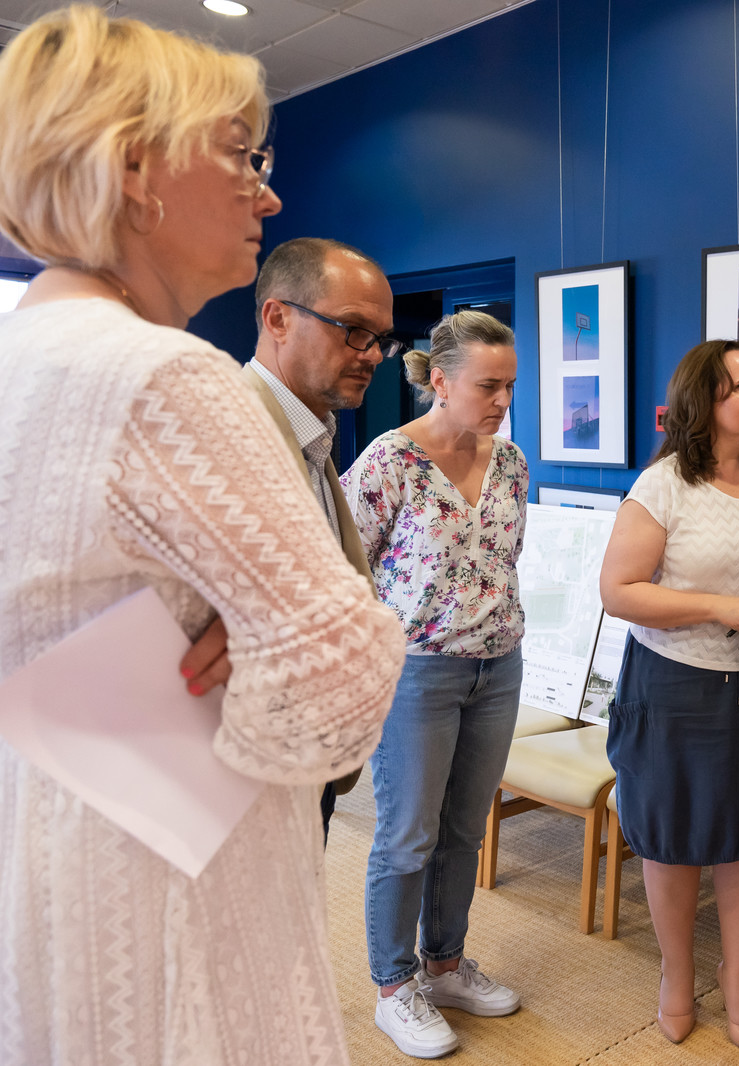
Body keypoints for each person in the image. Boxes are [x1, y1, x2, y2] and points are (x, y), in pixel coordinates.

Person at [0, 7, 406, 1065]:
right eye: (240, 155)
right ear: (134, 166)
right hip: (174, 863)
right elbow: (343, 678)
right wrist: (259, 660)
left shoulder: (19, 357)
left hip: (46, 842)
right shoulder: (161, 374)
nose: (267, 194)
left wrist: (254, 633)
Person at [598, 339, 739, 1056]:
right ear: (702, 399)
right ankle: (677, 974)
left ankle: (738, 976)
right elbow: (619, 591)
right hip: (676, 682)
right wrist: (717, 606)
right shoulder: (662, 486)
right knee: (675, 839)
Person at [343, 309, 528, 1059]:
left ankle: (445, 967)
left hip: (499, 665)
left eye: (510, 385)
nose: (502, 401)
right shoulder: (389, 462)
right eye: (488, 386)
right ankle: (394, 988)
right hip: (417, 673)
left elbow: (504, 561)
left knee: (463, 829)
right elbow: (342, 566)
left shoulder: (510, 462)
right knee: (408, 836)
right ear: (441, 381)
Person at [248, 236, 400, 840]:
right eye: (354, 330)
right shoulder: (232, 437)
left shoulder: (313, 441)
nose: (373, 354)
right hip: (254, 773)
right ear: (278, 319)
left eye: (381, 338)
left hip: (310, 760)